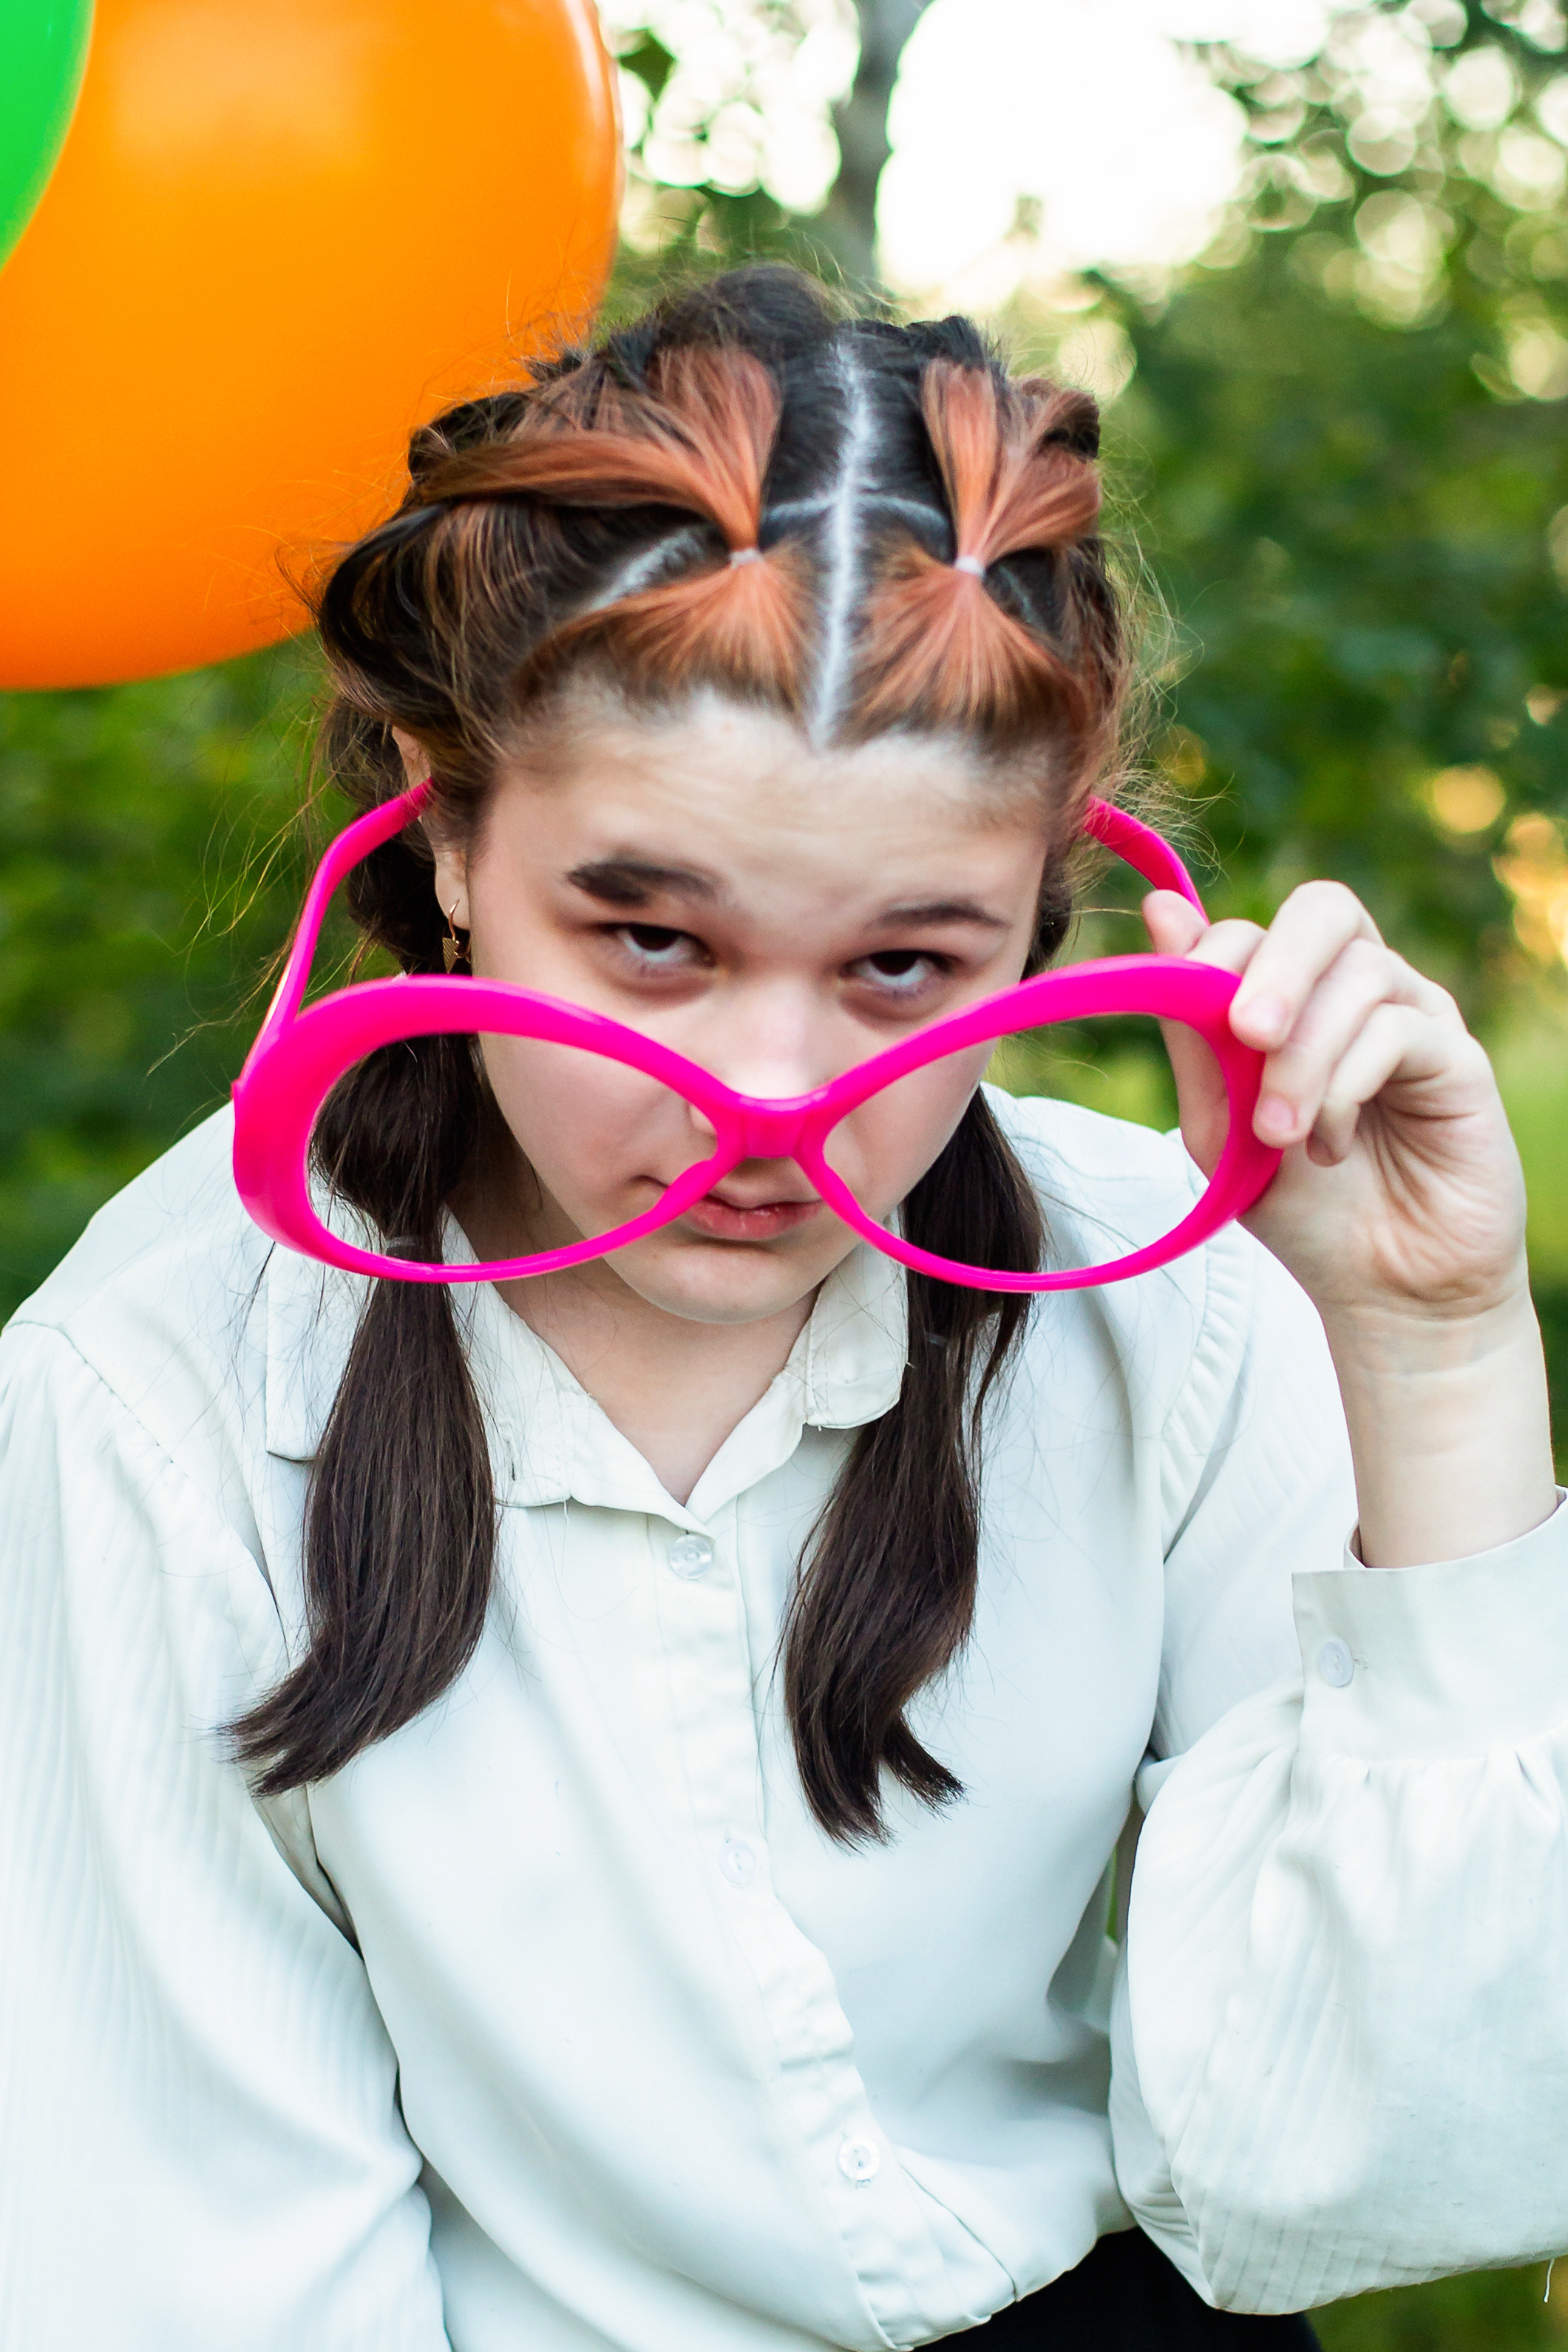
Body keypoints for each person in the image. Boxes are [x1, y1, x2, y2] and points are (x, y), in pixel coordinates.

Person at [1, 264, 1564, 2352]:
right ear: (449, 826)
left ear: (1042, 922)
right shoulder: (157, 1390)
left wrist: (1436, 1353)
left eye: (901, 967)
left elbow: (1398, 2169)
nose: (769, 1098)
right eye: (652, 939)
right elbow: (202, 2275)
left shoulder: (1175, 1304)